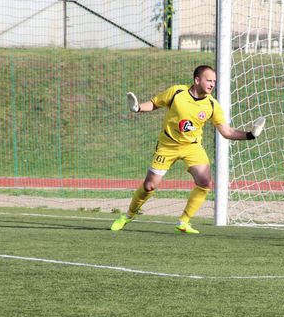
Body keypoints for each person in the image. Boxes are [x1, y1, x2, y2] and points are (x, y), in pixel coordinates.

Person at [110, 65, 265, 234]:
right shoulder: (177, 93)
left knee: (205, 182)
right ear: (197, 80)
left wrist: (250, 135)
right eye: (209, 80)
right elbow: (155, 103)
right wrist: (138, 108)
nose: (212, 84)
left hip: (192, 147)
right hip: (167, 146)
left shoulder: (212, 105)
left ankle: (183, 222)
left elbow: (227, 132)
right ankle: (128, 216)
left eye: (214, 81)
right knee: (149, 186)